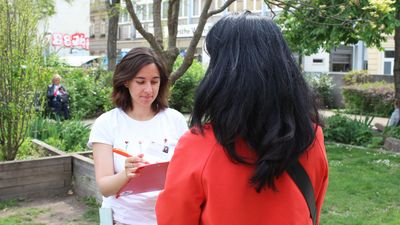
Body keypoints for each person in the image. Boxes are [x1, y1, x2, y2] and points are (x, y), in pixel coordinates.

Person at [156, 12, 329, 225]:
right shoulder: (311, 138)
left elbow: (174, 220)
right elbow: (312, 212)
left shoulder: (198, 145)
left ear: (222, 74)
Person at [87, 47, 188, 225]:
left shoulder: (175, 120)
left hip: (168, 218)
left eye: (154, 81)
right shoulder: (107, 123)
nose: (148, 89)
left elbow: (187, 174)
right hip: (123, 219)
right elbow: (105, 187)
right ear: (126, 81)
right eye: (140, 82)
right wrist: (127, 174)